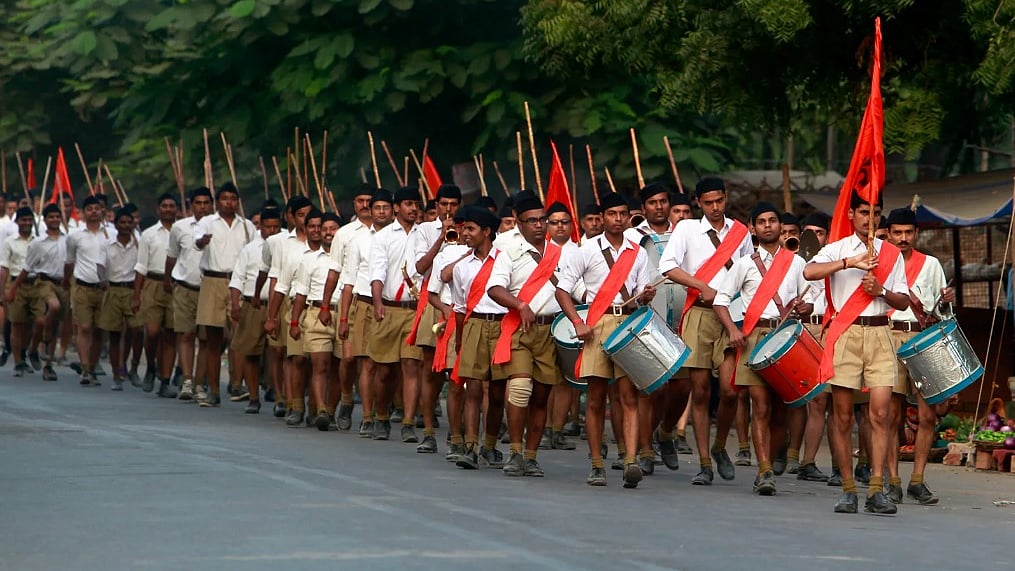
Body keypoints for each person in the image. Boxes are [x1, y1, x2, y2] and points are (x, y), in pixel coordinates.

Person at [803, 190, 909, 515]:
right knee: (843, 415)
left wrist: (881, 291)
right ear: (851, 215)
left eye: (875, 213)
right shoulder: (837, 248)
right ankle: (848, 489)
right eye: (864, 212)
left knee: (881, 413)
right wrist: (850, 262)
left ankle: (876, 489)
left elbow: (903, 299)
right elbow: (809, 272)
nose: (870, 219)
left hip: (879, 332)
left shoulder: (891, 254)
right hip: (845, 333)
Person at [556, 192, 655, 489]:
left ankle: (631, 461)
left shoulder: (637, 252)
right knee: (596, 398)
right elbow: (562, 290)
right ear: (602, 218)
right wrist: (578, 322)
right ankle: (597, 463)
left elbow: (640, 294)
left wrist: (646, 295)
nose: (618, 219)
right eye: (612, 214)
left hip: (628, 323)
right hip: (597, 324)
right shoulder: (585, 250)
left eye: (623, 213)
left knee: (629, 396)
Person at [659, 176, 754, 485]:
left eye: (719, 201)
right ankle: (704, 463)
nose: (715, 207)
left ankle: (719, 445)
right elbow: (667, 266)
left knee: (730, 390)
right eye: (708, 202)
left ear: (726, 197)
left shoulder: (740, 232)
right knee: (699, 391)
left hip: (732, 316)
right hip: (698, 312)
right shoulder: (686, 229)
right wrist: (701, 286)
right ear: (698, 202)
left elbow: (749, 271)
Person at [714, 202, 811, 495]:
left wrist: (806, 307)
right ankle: (764, 470)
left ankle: (772, 455)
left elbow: (811, 300)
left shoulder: (797, 263)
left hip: (785, 338)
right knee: (761, 405)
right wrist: (733, 330)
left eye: (772, 220)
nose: (768, 225)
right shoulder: (744, 264)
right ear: (753, 229)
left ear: (781, 227)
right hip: (754, 337)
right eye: (762, 222)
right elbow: (721, 300)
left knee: (781, 411)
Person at [488, 195, 565, 477]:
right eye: (531, 221)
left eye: (542, 219)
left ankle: (531, 456)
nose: (539, 225)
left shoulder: (561, 252)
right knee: (520, 389)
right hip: (520, 328)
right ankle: (515, 451)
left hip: (551, 329)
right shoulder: (507, 250)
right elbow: (495, 288)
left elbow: (576, 288)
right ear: (519, 223)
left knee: (542, 396)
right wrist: (520, 305)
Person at [884, 207, 954, 505]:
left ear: (916, 233)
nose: (903, 238)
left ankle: (917, 479)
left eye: (908, 232)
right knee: (892, 416)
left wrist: (946, 301)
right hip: (888, 336)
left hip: (922, 338)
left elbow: (942, 311)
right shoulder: (880, 263)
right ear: (888, 234)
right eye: (897, 232)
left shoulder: (932, 264)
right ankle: (893, 480)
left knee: (927, 415)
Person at [625, 182, 692, 475]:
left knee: (682, 387)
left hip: (684, 318)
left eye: (663, 201)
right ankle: (645, 450)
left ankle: (665, 433)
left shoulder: (686, 234)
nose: (659, 206)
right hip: (648, 320)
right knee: (651, 388)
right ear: (643, 208)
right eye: (652, 202)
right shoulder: (633, 236)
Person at [448, 205, 507, 469]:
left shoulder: (505, 260)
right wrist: (461, 339)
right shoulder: (461, 267)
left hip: (503, 325)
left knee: (497, 391)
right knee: (472, 388)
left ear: (486, 231)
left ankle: (490, 445)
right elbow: (460, 308)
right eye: (464, 229)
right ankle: (470, 447)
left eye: (471, 229)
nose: (465, 234)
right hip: (474, 324)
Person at [368, 187, 425, 441]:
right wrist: (377, 302)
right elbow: (377, 273)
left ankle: (408, 422)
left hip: (415, 310)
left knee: (411, 366)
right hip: (389, 307)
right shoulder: (383, 237)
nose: (413, 208)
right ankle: (381, 415)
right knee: (385, 371)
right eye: (408, 204)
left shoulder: (424, 234)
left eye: (416, 204)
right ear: (396, 207)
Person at [193, 182, 256, 407]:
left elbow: (253, 252)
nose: (229, 202)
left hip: (238, 282)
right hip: (213, 279)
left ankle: (237, 384)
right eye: (224, 198)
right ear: (217, 201)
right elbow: (197, 242)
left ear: (237, 201)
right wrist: (203, 241)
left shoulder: (247, 225)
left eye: (232, 198)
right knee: (213, 340)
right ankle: (213, 389)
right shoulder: (207, 222)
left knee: (239, 336)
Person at [409, 184, 462, 451]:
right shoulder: (424, 230)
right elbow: (420, 268)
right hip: (434, 301)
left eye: (453, 204)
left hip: (461, 304)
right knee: (431, 370)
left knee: (457, 373)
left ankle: (456, 434)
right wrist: (442, 237)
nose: (448, 209)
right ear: (437, 205)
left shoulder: (468, 228)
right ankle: (429, 431)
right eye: (444, 204)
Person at [337, 190, 393, 437]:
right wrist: (343, 319)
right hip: (363, 303)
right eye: (376, 207)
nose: (380, 212)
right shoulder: (358, 240)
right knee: (366, 363)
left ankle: (383, 413)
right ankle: (368, 417)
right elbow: (348, 281)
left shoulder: (402, 239)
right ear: (370, 211)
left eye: (385, 207)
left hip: (392, 307)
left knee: (388, 366)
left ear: (393, 210)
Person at [319, 185, 373, 430]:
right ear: (354, 204)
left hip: (378, 300)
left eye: (369, 200)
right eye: (360, 200)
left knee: (370, 361)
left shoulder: (387, 233)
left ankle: (371, 414)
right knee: (348, 358)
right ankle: (347, 398)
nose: (365, 205)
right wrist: (325, 305)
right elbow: (334, 271)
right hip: (350, 299)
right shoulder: (345, 233)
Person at [259, 196, 313, 418]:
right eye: (300, 215)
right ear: (290, 216)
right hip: (288, 302)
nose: (305, 220)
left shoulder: (322, 241)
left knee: (314, 357)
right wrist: (272, 315)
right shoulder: (280, 243)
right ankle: (288, 400)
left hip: (315, 303)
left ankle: (313, 404)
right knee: (287, 353)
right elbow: (276, 279)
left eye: (308, 215)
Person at [228, 206, 281, 413]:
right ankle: (253, 396)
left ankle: (279, 396)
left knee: (278, 351)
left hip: (279, 304)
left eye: (276, 226)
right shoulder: (249, 249)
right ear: (261, 227)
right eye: (268, 227)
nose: (272, 231)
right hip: (254, 304)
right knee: (251, 352)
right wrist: (235, 304)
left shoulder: (286, 244)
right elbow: (237, 278)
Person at [289, 209, 338, 430]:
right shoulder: (309, 260)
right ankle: (321, 410)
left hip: (344, 314)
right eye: (324, 229)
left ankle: (332, 409)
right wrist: (294, 322)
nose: (327, 232)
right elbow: (300, 293)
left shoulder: (349, 258)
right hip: (316, 314)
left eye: (332, 229)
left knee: (342, 368)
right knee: (320, 365)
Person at [167, 187, 213, 401]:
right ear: (191, 205)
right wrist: (168, 280)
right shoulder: (179, 227)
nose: (202, 207)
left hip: (209, 288)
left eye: (206, 203)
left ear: (211, 204)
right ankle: (187, 379)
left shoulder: (217, 226)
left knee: (206, 339)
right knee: (185, 334)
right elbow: (172, 255)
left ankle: (200, 382)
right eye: (198, 203)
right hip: (185, 286)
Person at [13, 204, 66, 381]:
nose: (55, 220)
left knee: (55, 325)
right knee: (50, 311)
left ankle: (48, 365)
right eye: (51, 217)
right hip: (43, 282)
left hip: (62, 283)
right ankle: (34, 345)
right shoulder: (38, 243)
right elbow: (27, 268)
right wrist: (13, 288)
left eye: (57, 216)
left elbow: (71, 262)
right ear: (44, 220)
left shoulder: (67, 240)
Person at [133, 193, 178, 394]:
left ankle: (165, 380)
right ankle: (151, 366)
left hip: (176, 285)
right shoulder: (148, 234)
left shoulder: (182, 232)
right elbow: (141, 266)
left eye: (171, 206)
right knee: (152, 332)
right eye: (164, 206)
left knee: (171, 334)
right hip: (152, 283)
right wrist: (136, 296)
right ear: (158, 209)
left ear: (176, 209)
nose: (168, 209)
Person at [65, 195, 110, 387]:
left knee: (99, 330)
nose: (94, 212)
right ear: (83, 213)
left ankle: (92, 367)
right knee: (84, 327)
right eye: (89, 209)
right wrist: (67, 281)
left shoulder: (110, 234)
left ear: (102, 211)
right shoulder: (74, 236)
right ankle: (84, 368)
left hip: (105, 289)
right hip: (82, 286)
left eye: (96, 208)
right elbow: (69, 261)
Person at [98, 207, 141, 391]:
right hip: (113, 289)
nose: (125, 226)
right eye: (122, 222)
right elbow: (100, 266)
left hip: (132, 290)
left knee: (138, 330)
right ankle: (116, 374)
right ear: (116, 225)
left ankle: (133, 368)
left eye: (129, 222)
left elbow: (142, 267)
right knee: (114, 335)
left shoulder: (139, 243)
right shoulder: (107, 244)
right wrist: (103, 280)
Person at [2, 207, 42, 377]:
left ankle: (28, 351)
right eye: (23, 220)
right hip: (15, 285)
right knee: (17, 324)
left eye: (29, 220)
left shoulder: (39, 241)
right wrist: (3, 292)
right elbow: (4, 267)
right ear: (17, 222)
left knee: (38, 322)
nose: (26, 223)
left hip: (36, 284)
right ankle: (18, 362)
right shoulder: (9, 242)